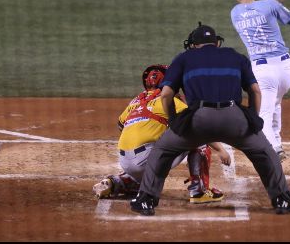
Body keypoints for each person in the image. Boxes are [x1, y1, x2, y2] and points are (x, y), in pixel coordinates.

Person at [130, 23, 290, 216]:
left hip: (197, 122)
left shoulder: (183, 59)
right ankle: (282, 199)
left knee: (163, 150)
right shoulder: (235, 56)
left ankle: (146, 200)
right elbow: (255, 91)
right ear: (216, 43)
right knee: (265, 152)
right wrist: (253, 118)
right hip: (235, 119)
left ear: (193, 45)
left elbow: (166, 95)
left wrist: (175, 122)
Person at [92, 64, 231, 204]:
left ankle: (115, 182)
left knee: (144, 179)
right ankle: (199, 191)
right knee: (197, 139)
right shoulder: (169, 100)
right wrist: (221, 150)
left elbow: (121, 124)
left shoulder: (136, 101)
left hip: (125, 161)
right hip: (145, 160)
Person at [228, 0, 290, 161]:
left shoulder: (235, 13)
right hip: (286, 70)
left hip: (263, 72)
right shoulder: (269, 6)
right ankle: (278, 144)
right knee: (275, 104)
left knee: (264, 112)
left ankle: (273, 150)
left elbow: (268, 3)